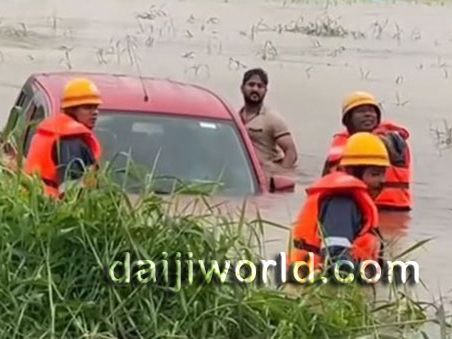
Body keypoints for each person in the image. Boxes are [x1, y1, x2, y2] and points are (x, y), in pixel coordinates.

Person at [289, 132, 389, 271]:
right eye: (375, 174)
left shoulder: (353, 203)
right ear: (353, 172)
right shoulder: (341, 204)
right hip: (318, 287)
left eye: (384, 173)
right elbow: (335, 259)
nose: (382, 181)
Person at [322, 91, 412, 211]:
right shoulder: (342, 143)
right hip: (362, 205)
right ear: (348, 119)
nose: (368, 115)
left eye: (372, 111)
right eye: (361, 111)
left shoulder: (392, 140)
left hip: (393, 208)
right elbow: (329, 174)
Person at [24, 78, 103, 198]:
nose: (95, 112)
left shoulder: (52, 132)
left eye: (96, 107)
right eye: (88, 107)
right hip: (53, 208)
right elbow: (71, 192)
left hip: (37, 201)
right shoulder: (70, 141)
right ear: (71, 109)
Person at [238, 68, 298, 176]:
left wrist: (279, 176)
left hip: (267, 175)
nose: (255, 89)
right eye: (251, 85)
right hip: (245, 175)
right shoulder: (235, 118)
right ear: (242, 88)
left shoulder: (272, 119)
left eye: (260, 86)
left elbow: (291, 153)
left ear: (265, 90)